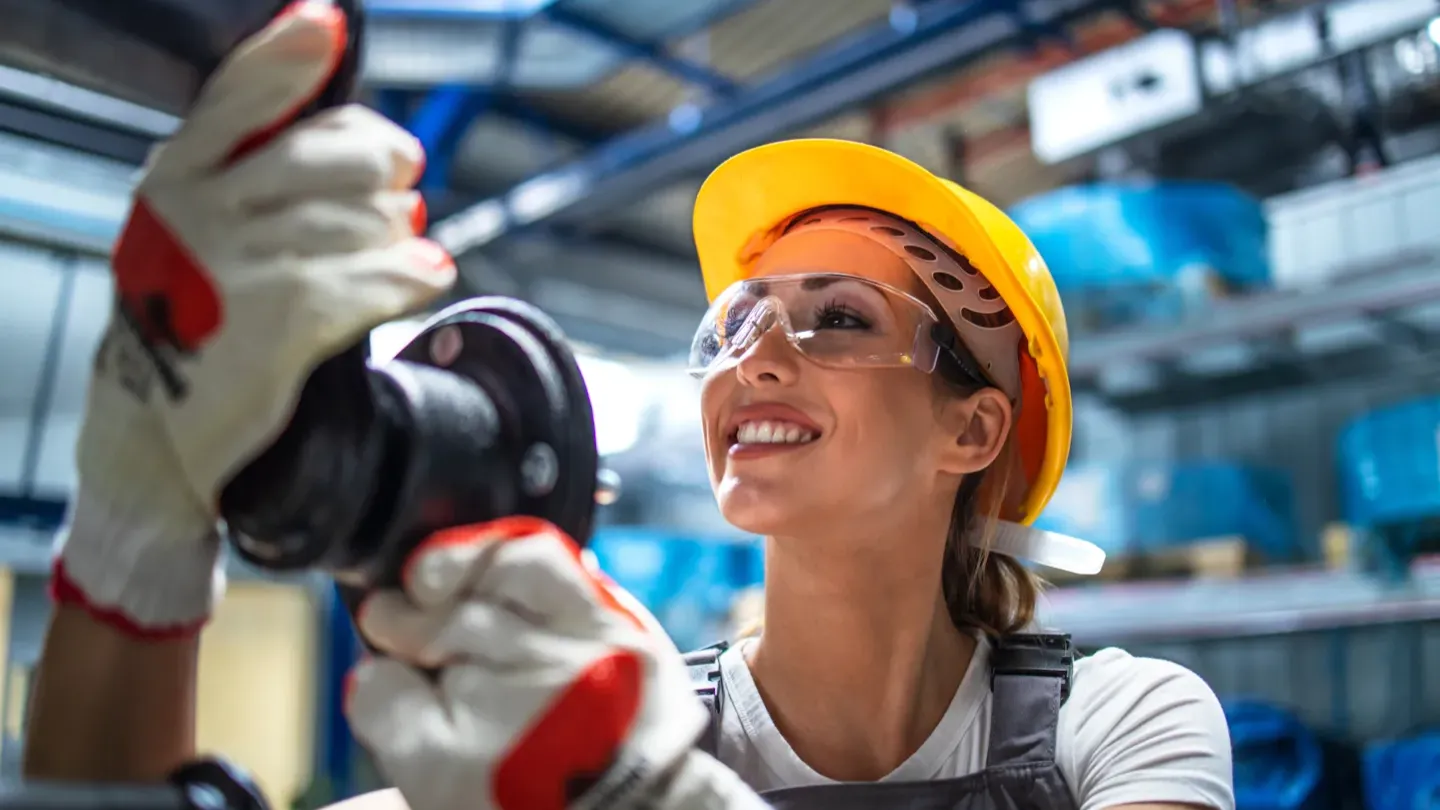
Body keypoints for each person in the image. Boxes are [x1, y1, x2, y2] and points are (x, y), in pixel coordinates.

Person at [23, 7, 1233, 810]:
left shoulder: (1123, 727)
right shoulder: (612, 714)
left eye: (840, 318)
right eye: (737, 321)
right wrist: (143, 512)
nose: (751, 358)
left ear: (973, 430)